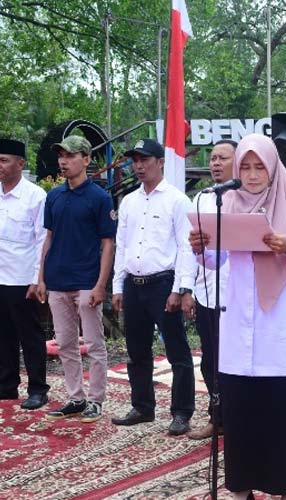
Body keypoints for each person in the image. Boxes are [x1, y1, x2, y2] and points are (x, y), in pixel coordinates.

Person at [190, 134, 286, 500]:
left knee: (281, 419)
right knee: (241, 418)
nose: (251, 175)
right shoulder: (226, 205)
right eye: (245, 167)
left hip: (280, 332)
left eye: (259, 167)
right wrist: (202, 248)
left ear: (272, 168)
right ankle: (240, 492)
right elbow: (216, 262)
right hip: (238, 330)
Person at [111, 138, 197, 436]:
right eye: (135, 160)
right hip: (133, 283)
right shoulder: (130, 201)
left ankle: (182, 412)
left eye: (145, 160)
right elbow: (121, 245)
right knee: (136, 350)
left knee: (177, 351)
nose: (139, 166)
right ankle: (143, 406)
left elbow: (187, 248)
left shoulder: (176, 200)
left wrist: (181, 288)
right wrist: (117, 285)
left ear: (160, 162)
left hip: (163, 283)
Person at [38, 135, 116, 423]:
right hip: (57, 279)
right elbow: (48, 238)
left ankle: (96, 400)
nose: (63, 161)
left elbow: (108, 243)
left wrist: (100, 285)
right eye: (61, 156)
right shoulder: (54, 196)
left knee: (95, 343)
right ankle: (75, 397)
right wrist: (41, 278)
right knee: (65, 344)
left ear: (86, 159)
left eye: (70, 156)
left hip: (86, 280)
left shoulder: (99, 197)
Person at [0, 138, 50, 409]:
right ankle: (6, 385)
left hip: (21, 278)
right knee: (3, 333)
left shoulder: (35, 196)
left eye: (3, 160)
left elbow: (42, 240)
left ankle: (38, 389)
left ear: (21, 163)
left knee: (30, 335)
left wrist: (36, 278)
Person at [187, 139, 235, 440]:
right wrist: (188, 289)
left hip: (239, 296)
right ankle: (216, 418)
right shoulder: (202, 199)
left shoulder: (249, 199)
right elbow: (190, 246)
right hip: (207, 292)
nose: (215, 163)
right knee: (210, 361)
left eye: (223, 158)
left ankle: (241, 419)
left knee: (236, 363)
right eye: (213, 158)